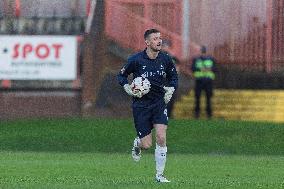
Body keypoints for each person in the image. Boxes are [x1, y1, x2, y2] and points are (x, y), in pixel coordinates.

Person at [117, 29, 178, 183]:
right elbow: (121, 75)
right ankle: (138, 143)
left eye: (160, 38)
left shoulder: (166, 59)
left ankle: (159, 175)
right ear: (147, 42)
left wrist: (171, 88)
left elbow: (173, 77)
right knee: (146, 145)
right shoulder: (136, 60)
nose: (159, 41)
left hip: (158, 103)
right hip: (141, 106)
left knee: (161, 137)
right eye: (155, 38)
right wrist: (127, 88)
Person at [191, 45, 216, 119]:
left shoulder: (211, 59)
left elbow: (215, 68)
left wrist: (209, 69)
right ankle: (197, 113)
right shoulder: (196, 59)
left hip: (208, 81)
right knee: (197, 98)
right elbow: (193, 68)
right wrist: (200, 69)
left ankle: (208, 114)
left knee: (208, 98)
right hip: (199, 80)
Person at [161, 39, 180, 118]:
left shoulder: (173, 58)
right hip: (161, 81)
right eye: (163, 46)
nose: (164, 48)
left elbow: (177, 68)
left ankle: (169, 114)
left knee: (171, 98)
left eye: (166, 46)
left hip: (170, 81)